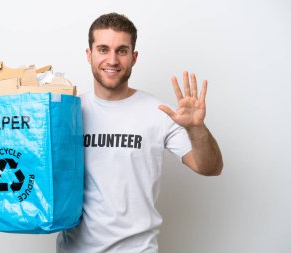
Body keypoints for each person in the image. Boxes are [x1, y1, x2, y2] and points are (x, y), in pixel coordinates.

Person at [56, 12, 223, 253]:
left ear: (133, 58)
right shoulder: (68, 113)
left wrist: (197, 128)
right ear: (89, 54)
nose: (112, 60)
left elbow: (210, 168)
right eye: (103, 49)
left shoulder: (160, 113)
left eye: (121, 51)